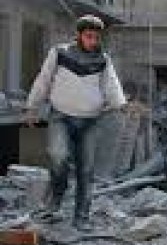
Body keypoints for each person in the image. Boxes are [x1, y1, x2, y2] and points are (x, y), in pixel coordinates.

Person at [25, 15, 126, 231]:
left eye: (96, 37)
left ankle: (81, 217)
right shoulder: (59, 53)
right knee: (58, 156)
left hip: (90, 121)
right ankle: (56, 196)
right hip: (60, 116)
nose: (93, 41)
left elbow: (112, 85)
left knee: (86, 170)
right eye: (89, 36)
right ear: (79, 35)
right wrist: (32, 107)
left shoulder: (103, 60)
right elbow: (44, 79)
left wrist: (120, 104)